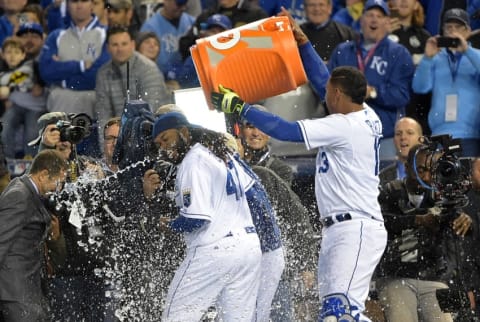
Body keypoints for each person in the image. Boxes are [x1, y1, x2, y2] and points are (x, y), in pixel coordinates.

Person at [212, 58, 387, 322]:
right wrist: (305, 47)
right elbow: (324, 82)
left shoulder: (344, 125)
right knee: (333, 314)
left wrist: (240, 107)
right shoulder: (363, 115)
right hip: (343, 228)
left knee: (340, 313)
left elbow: (286, 130)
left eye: (328, 92)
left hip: (355, 228)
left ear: (338, 94)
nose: (323, 96)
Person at [150, 111, 262, 321]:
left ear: (184, 132)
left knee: (175, 317)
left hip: (214, 249)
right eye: (158, 144)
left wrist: (170, 225)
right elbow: (256, 191)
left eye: (165, 139)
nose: (163, 148)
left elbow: (197, 219)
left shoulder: (194, 160)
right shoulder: (221, 154)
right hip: (248, 248)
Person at [377, 143, 474, 322]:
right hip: (396, 276)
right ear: (407, 168)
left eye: (431, 170)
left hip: (433, 278)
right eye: (420, 170)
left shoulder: (442, 194)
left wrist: (466, 221)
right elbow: (379, 223)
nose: (427, 177)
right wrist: (416, 220)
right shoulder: (391, 191)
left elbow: (462, 227)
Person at [328, 0, 415, 161]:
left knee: (385, 183)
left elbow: (402, 95)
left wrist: (373, 92)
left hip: (384, 137)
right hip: (345, 136)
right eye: (369, 15)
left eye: (379, 16)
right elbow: (327, 89)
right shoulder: (342, 51)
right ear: (361, 21)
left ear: (387, 22)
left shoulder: (399, 53)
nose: (374, 20)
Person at [0, 149, 67, 322]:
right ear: (44, 174)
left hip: (28, 292)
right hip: (16, 295)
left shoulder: (28, 192)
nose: (58, 189)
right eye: (58, 182)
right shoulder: (19, 195)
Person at [39, 0, 110, 158]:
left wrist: (63, 78)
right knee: (60, 162)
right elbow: (46, 71)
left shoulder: (106, 34)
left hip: (94, 108)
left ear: (92, 4)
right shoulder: (55, 36)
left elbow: (100, 74)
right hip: (62, 108)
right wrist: (81, 66)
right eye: (74, 1)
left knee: (92, 164)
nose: (79, 5)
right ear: (67, 5)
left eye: (84, 1)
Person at [412, 8, 480, 158]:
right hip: (439, 135)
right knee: (440, 180)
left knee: (468, 180)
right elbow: (419, 87)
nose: (453, 32)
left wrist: (467, 50)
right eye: (449, 27)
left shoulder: (476, 56)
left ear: (467, 30)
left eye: (458, 27)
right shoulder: (435, 58)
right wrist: (427, 58)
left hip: (470, 135)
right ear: (442, 30)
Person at [95, 25, 171, 131]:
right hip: (119, 134)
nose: (120, 49)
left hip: (154, 131)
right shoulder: (103, 73)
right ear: (108, 48)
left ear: (133, 45)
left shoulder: (148, 69)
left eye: (124, 44)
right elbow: (103, 115)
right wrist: (107, 144)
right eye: (115, 45)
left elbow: (151, 112)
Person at [0, 36, 46, 159]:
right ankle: (6, 161)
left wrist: (7, 88)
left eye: (16, 52)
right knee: (4, 127)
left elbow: (13, 78)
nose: (12, 56)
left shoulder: (29, 66)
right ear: (3, 54)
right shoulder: (3, 71)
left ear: (23, 55)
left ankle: (31, 162)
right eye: (8, 52)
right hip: (16, 107)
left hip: (35, 108)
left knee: (32, 134)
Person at [178, 0, 268, 61]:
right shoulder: (206, 15)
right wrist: (201, 40)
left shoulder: (256, 15)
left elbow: (267, 45)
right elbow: (185, 46)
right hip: (212, 68)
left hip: (246, 67)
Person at [140, 0, 195, 89]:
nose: (183, 8)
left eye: (185, 4)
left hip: (189, 82)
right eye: (179, 4)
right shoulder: (149, 27)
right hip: (162, 83)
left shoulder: (191, 22)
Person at [239, 107, 294, 186]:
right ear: (240, 130)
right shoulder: (229, 163)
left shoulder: (281, 170)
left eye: (261, 127)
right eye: (250, 126)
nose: (256, 133)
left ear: (269, 133)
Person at [177, 13, 232, 89]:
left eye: (221, 32)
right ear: (206, 33)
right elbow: (184, 83)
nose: (217, 35)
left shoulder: (236, 56)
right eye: (213, 31)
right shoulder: (195, 56)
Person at [379, 117, 423, 184]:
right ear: (394, 141)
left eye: (410, 133)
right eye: (398, 134)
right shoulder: (381, 178)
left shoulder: (433, 175)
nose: (403, 137)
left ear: (421, 140)